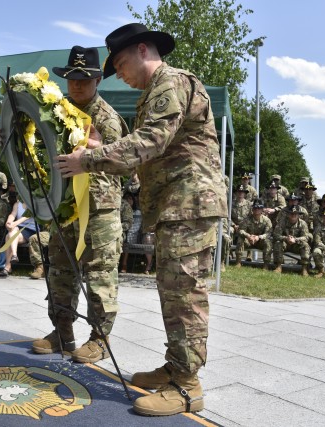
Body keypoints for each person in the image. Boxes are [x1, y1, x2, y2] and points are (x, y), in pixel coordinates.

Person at [55, 25, 227, 416]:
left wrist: (89, 159)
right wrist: (104, 148)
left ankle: (187, 386)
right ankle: (175, 368)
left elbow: (149, 141)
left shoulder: (171, 83)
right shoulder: (154, 92)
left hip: (190, 204)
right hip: (176, 206)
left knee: (184, 296)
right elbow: (149, 155)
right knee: (173, 292)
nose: (121, 74)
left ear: (143, 49)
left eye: (120, 63)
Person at [31, 45, 128, 367]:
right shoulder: (59, 112)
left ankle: (100, 340)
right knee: (60, 272)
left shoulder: (108, 119)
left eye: (85, 78)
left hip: (99, 210)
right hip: (65, 206)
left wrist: (94, 149)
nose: (77, 84)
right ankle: (62, 333)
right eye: (72, 77)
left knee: (99, 274)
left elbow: (126, 163)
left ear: (98, 79)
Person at [0, 200, 40, 277]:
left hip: (31, 229)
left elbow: (27, 215)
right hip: (18, 229)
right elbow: (13, 214)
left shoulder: (33, 203)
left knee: (9, 235)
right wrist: (8, 222)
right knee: (11, 233)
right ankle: (14, 256)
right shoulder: (17, 204)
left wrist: (14, 223)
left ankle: (7, 267)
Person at [272, 205, 311, 276]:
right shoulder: (282, 222)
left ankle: (304, 269)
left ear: (299, 215)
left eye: (295, 214)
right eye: (291, 213)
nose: (293, 215)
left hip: (297, 245)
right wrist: (286, 238)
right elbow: (276, 235)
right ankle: (278, 266)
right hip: (286, 244)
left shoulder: (303, 223)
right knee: (278, 243)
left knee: (305, 245)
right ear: (288, 214)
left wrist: (295, 239)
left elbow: (306, 237)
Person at [235, 200, 273, 270]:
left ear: (262, 210)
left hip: (260, 241)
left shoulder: (266, 220)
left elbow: (268, 233)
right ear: (252, 209)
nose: (257, 210)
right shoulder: (247, 219)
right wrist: (248, 236)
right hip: (249, 240)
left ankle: (266, 265)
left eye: (259, 208)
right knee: (240, 239)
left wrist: (259, 237)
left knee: (268, 242)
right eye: (255, 208)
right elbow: (241, 230)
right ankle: (238, 262)